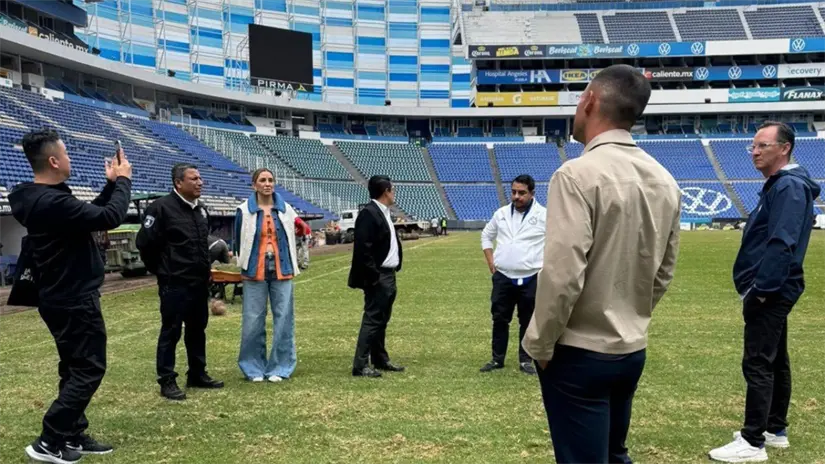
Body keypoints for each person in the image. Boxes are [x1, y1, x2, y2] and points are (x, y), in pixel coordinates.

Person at [521, 64, 682, 464]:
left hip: (578, 351)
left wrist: (539, 343)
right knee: (614, 454)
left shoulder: (576, 174)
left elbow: (563, 274)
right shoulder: (665, 179)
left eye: (580, 98)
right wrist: (631, 314)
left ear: (590, 100)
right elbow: (663, 270)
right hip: (630, 348)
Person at [9, 129, 132, 463]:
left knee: (74, 368)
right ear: (53, 160)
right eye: (66, 153)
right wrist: (122, 181)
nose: (70, 158)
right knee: (89, 368)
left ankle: (71, 434)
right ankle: (49, 440)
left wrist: (109, 185)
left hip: (58, 296)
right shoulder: (52, 202)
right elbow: (109, 217)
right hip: (73, 298)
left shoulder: (39, 199)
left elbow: (86, 218)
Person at [709, 122, 821, 463]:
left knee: (758, 361)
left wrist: (760, 290)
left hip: (770, 290)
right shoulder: (781, 186)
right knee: (775, 359)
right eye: (752, 147)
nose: (755, 152)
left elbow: (781, 243)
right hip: (774, 288)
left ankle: (753, 441)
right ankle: (774, 429)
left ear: (784, 148)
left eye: (762, 146)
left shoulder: (787, 187)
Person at [136, 163, 224, 401]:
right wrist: (162, 270)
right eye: (194, 179)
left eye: (200, 178)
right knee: (171, 331)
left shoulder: (201, 210)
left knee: (197, 329)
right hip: (174, 282)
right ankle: (167, 380)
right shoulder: (160, 208)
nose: (200, 182)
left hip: (198, 281)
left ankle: (197, 373)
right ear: (178, 183)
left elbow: (202, 244)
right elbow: (144, 243)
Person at [233, 168, 301, 382]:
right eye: (262, 180)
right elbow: (238, 239)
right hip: (255, 268)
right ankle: (253, 367)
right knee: (253, 320)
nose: (267, 183)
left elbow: (297, 231)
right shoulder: (244, 211)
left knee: (284, 318)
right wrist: (242, 262)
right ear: (254, 185)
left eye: (270, 180)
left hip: (283, 268)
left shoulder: (286, 209)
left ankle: (280, 366)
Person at [480, 175, 546, 376]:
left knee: (527, 320)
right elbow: (486, 236)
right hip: (504, 277)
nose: (516, 196)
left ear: (532, 193)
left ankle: (526, 360)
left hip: (531, 277)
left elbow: (556, 242)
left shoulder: (544, 215)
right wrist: (491, 261)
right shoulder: (500, 214)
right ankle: (497, 358)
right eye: (514, 192)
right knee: (500, 318)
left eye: (522, 193)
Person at [348, 175, 405, 378]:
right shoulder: (369, 214)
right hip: (379, 275)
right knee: (373, 319)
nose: (394, 193)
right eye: (392, 189)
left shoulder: (383, 212)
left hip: (388, 274)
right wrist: (375, 277)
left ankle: (379, 358)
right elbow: (363, 250)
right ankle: (360, 364)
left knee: (382, 319)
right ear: (386, 191)